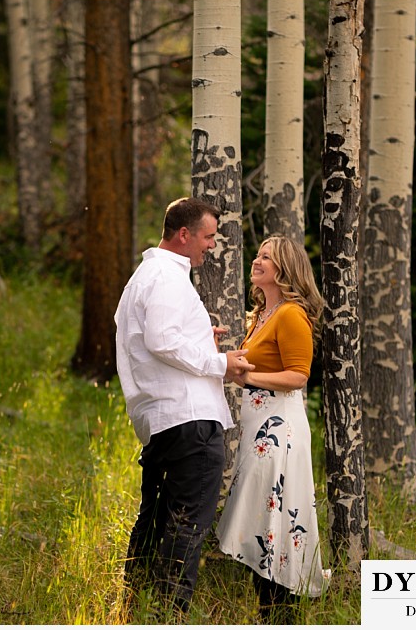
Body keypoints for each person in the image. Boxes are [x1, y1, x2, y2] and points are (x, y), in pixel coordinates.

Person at [114, 197, 254, 614]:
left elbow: (151, 340)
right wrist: (219, 362)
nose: (211, 245)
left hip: (164, 419)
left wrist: (198, 340)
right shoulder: (168, 278)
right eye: (208, 236)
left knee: (155, 518)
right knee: (187, 523)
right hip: (188, 419)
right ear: (184, 235)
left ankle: (134, 606)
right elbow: (161, 340)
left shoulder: (145, 277)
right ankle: (168, 614)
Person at [215, 235, 329, 621]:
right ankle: (272, 612)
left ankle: (281, 613)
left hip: (279, 429)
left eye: (267, 256)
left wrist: (248, 377)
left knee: (273, 518)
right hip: (259, 428)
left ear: (285, 269)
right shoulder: (262, 314)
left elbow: (298, 376)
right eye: (258, 254)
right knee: (264, 518)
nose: (257, 260)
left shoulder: (291, 314)